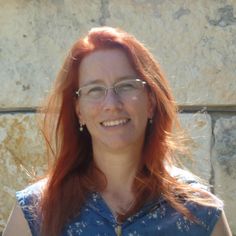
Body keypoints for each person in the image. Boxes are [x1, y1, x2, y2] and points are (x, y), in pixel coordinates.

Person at [3, 26, 232, 236]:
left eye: (126, 85)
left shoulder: (199, 212)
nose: (111, 103)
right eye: (94, 89)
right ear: (78, 110)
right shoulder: (36, 211)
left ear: (151, 102)